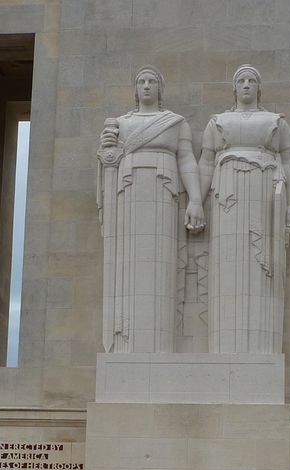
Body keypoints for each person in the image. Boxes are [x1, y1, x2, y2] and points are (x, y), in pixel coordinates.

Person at [97, 66, 205, 353]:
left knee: (163, 265)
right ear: (135, 89)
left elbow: (186, 160)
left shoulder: (175, 122)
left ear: (160, 88)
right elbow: (110, 161)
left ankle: (160, 345)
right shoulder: (120, 123)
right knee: (129, 264)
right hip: (129, 195)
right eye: (141, 81)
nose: (146, 86)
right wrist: (107, 153)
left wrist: (196, 200)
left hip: (164, 192)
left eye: (152, 81)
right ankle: (126, 343)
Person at [198, 65, 290, 354]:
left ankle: (260, 347)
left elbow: (288, 162)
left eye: (251, 80)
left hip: (264, 192)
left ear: (258, 87)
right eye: (240, 80)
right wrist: (195, 201)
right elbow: (205, 162)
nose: (246, 85)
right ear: (234, 88)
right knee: (228, 266)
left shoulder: (275, 122)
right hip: (226, 196)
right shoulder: (218, 122)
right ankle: (225, 347)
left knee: (262, 267)